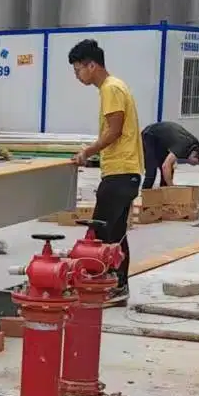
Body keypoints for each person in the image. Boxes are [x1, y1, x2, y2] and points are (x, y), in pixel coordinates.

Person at [68, 38, 142, 305]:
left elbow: (114, 130)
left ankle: (104, 285)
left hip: (120, 172)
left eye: (78, 69)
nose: (77, 75)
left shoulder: (110, 88)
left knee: (101, 233)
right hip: (126, 171)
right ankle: (118, 286)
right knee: (115, 233)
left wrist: (87, 151)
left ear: (92, 65)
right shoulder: (116, 87)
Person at [140, 121, 199, 190]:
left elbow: (169, 165)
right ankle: (145, 197)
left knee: (169, 172)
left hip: (161, 141)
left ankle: (163, 197)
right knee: (152, 171)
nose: (194, 165)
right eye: (196, 163)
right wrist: (173, 188)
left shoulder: (194, 144)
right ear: (195, 154)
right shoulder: (183, 146)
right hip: (149, 135)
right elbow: (165, 166)